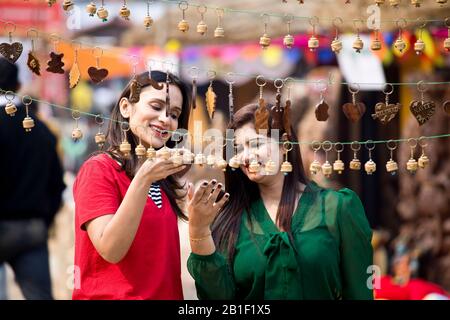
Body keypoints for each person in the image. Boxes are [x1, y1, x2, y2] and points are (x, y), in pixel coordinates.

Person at [186, 103, 374, 300]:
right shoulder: (231, 221)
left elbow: (360, 291)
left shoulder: (337, 208)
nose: (246, 156)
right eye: (238, 149)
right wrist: (199, 231)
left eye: (256, 144)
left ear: (284, 145)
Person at [72, 71, 191, 300]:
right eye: (156, 107)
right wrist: (143, 179)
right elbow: (111, 250)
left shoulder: (163, 177)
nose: (166, 119)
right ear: (126, 107)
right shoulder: (99, 169)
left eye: (174, 114)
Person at [0, 58, 66, 300]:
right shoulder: (42, 130)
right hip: (31, 229)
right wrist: (43, 220)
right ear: (18, 86)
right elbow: (57, 184)